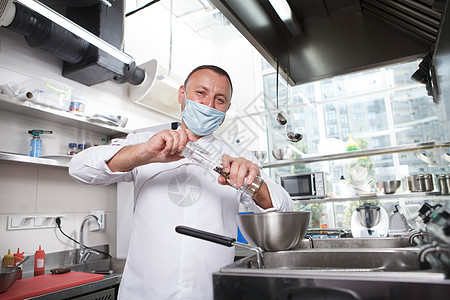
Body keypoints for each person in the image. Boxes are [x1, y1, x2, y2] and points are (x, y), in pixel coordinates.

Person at [69, 65, 293, 299]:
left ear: (227, 108)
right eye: (201, 93)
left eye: (219, 99)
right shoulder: (145, 142)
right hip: (144, 293)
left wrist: (253, 184)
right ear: (181, 94)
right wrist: (145, 154)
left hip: (209, 293)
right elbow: (79, 168)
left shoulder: (239, 159)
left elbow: (284, 211)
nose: (208, 105)